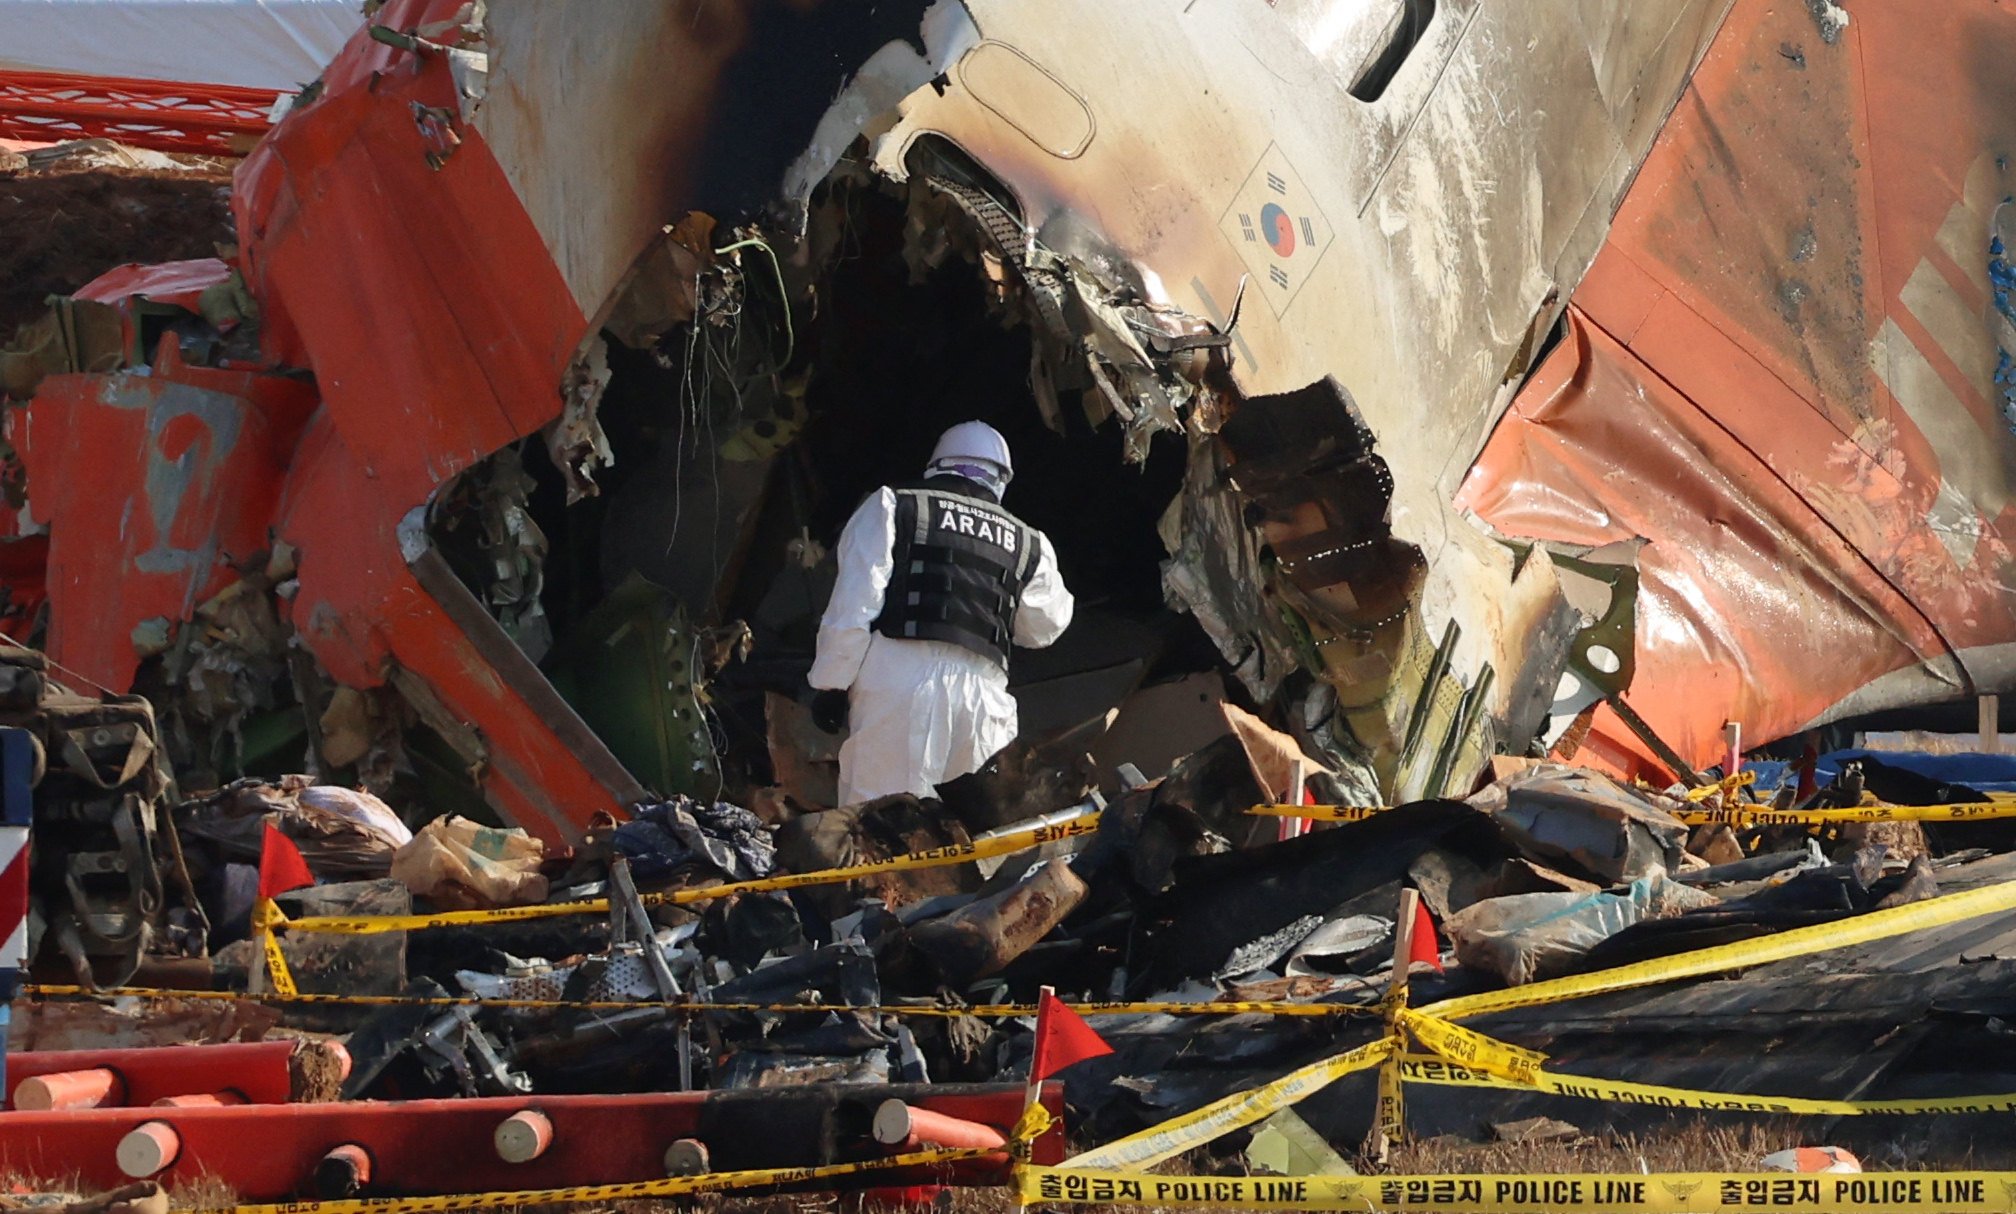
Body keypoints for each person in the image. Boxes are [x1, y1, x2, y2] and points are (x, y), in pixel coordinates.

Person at [807, 421, 1074, 805]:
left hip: (898, 681)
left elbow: (854, 604)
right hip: (982, 697)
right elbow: (1045, 626)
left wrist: (831, 683)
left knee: (877, 823)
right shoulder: (1030, 543)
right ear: (1001, 480)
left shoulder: (894, 505)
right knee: (969, 835)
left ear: (938, 465)